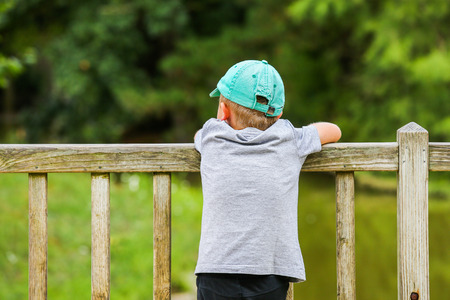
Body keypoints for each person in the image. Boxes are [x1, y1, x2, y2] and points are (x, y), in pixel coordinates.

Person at [194, 59, 341, 300]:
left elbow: (198, 135)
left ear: (223, 110)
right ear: (279, 113)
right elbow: (334, 130)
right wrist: (295, 130)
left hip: (215, 272)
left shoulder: (211, 135)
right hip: (270, 274)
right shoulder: (290, 138)